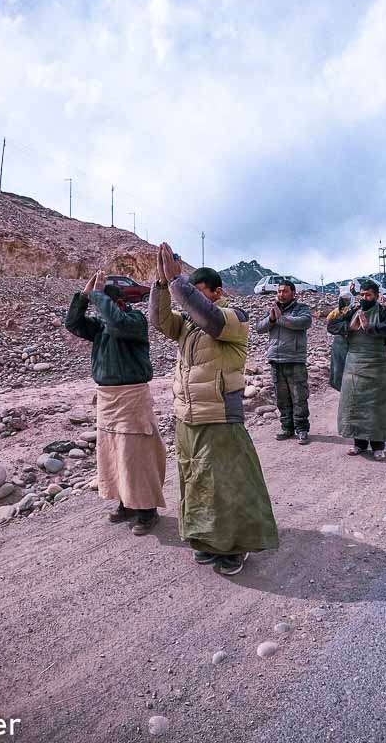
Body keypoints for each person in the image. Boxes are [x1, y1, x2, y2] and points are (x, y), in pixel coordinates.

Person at [149, 243, 278, 576]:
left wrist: (181, 285)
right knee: (195, 481)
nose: (193, 302)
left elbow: (210, 317)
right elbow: (160, 321)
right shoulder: (188, 325)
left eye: (200, 294)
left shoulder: (233, 318)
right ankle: (206, 540)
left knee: (226, 482)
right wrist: (163, 285)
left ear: (217, 293)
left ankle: (235, 546)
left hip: (219, 413)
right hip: (187, 415)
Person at [65, 269, 166, 536]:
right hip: (109, 400)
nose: (102, 312)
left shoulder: (134, 320)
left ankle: (147, 511)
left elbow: (118, 323)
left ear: (118, 304)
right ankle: (126, 503)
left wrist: (100, 297)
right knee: (114, 454)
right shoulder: (101, 329)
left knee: (136, 455)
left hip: (132, 398)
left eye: (105, 304)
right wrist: (85, 297)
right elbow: (73, 324)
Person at [327, 280, 386, 461]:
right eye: (362, 295)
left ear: (375, 296)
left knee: (377, 406)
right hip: (354, 364)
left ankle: (378, 446)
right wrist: (349, 327)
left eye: (368, 295)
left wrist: (371, 327)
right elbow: (331, 325)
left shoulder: (383, 312)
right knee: (355, 403)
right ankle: (358, 443)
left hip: (377, 365)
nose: (364, 298)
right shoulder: (353, 312)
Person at [254, 279, 313, 444]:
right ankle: (287, 427)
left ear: (293, 293)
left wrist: (279, 319)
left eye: (285, 291)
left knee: (299, 396)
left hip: (295, 359)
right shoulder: (273, 309)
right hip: (276, 359)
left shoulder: (302, 309)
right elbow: (259, 328)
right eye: (279, 291)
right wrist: (272, 319)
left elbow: (303, 322)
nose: (281, 294)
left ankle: (302, 429)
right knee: (282, 398)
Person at [326, 295, 352, 391]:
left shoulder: (354, 310)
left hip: (349, 343)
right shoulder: (336, 312)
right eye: (344, 299)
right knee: (338, 368)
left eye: (348, 299)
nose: (346, 301)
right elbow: (330, 325)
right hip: (338, 343)